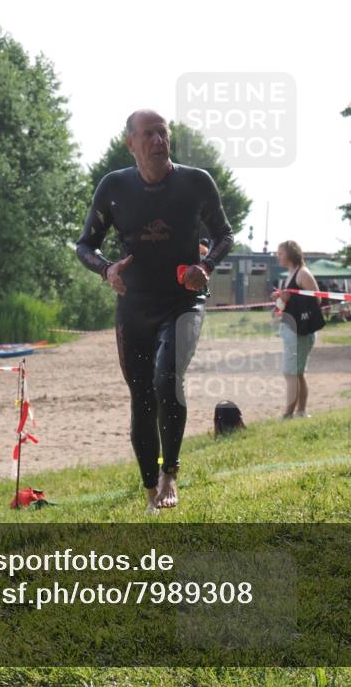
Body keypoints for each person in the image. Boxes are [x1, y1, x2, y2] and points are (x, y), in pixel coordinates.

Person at [75, 110, 233, 512]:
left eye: (162, 133)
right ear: (132, 143)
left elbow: (223, 234)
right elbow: (85, 246)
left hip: (183, 300)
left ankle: (170, 474)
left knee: (167, 378)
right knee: (142, 398)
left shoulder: (196, 182)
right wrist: (107, 270)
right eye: (148, 135)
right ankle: (149, 488)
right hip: (135, 306)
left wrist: (205, 267)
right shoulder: (114, 187)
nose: (158, 141)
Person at [271, 241, 319, 418]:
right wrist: (281, 298)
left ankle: (289, 414)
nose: (278, 256)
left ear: (290, 254)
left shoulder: (303, 273)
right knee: (296, 373)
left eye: (280, 253)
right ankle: (300, 412)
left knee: (291, 373)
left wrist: (289, 298)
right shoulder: (291, 274)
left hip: (300, 331)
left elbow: (317, 301)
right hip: (292, 329)